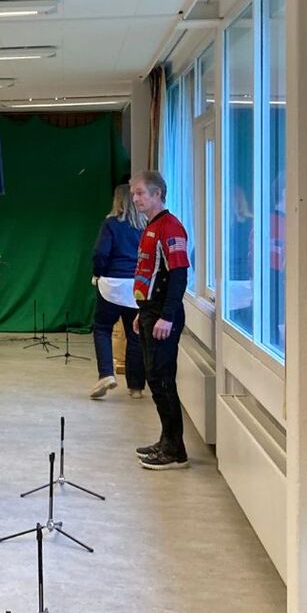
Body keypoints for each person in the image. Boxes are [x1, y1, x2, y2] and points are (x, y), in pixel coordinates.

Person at [131, 170, 190, 470]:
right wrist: (144, 312)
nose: (136, 198)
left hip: (164, 313)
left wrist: (166, 316)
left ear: (157, 194)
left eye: (141, 192)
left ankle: (176, 450)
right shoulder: (150, 226)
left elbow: (178, 275)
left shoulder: (171, 227)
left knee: (163, 378)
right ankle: (166, 439)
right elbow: (151, 273)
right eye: (134, 193)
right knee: (154, 377)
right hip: (150, 310)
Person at [89, 184, 147, 399]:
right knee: (135, 334)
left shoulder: (111, 224)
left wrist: (98, 273)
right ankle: (136, 387)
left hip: (112, 284)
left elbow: (100, 253)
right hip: (136, 286)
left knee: (102, 328)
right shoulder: (145, 226)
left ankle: (106, 374)